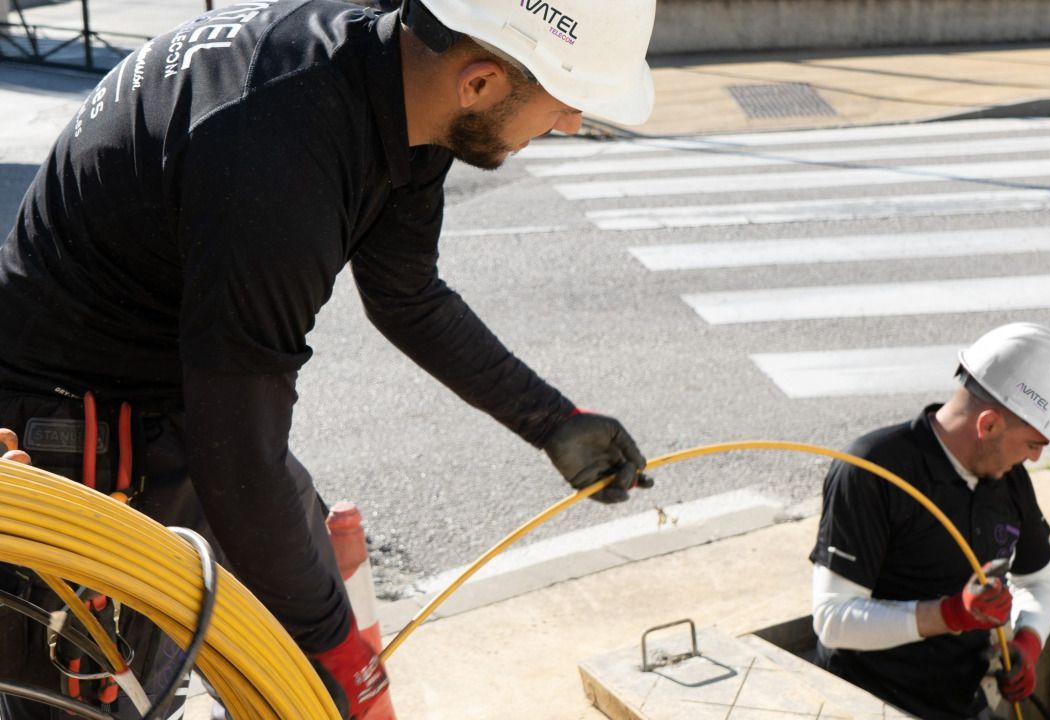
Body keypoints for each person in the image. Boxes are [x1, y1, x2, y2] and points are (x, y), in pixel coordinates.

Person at [0, 0, 658, 716]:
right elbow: (241, 461)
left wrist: (551, 420)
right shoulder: (279, 152)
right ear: (480, 83)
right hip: (75, 425)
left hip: (176, 401)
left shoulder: (400, 85)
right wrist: (336, 654)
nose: (569, 124)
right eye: (567, 104)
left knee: (285, 599)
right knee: (102, 700)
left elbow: (408, 295)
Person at [808, 322, 1050, 720]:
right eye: (1033, 443)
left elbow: (1039, 580)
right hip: (866, 704)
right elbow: (833, 620)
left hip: (961, 705)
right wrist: (949, 615)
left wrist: (1028, 641)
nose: (1036, 458)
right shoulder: (873, 470)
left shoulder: (1009, 481)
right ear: (988, 424)